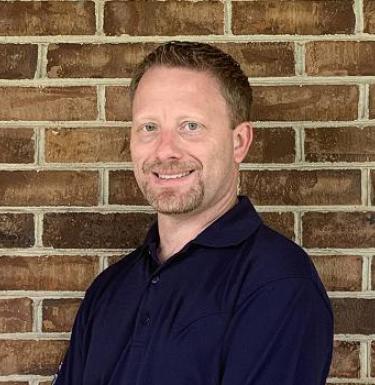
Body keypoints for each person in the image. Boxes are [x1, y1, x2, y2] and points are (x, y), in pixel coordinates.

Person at [53, 41, 333, 385]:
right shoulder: (108, 290)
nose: (165, 150)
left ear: (239, 142)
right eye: (149, 127)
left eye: (190, 126)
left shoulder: (278, 283)